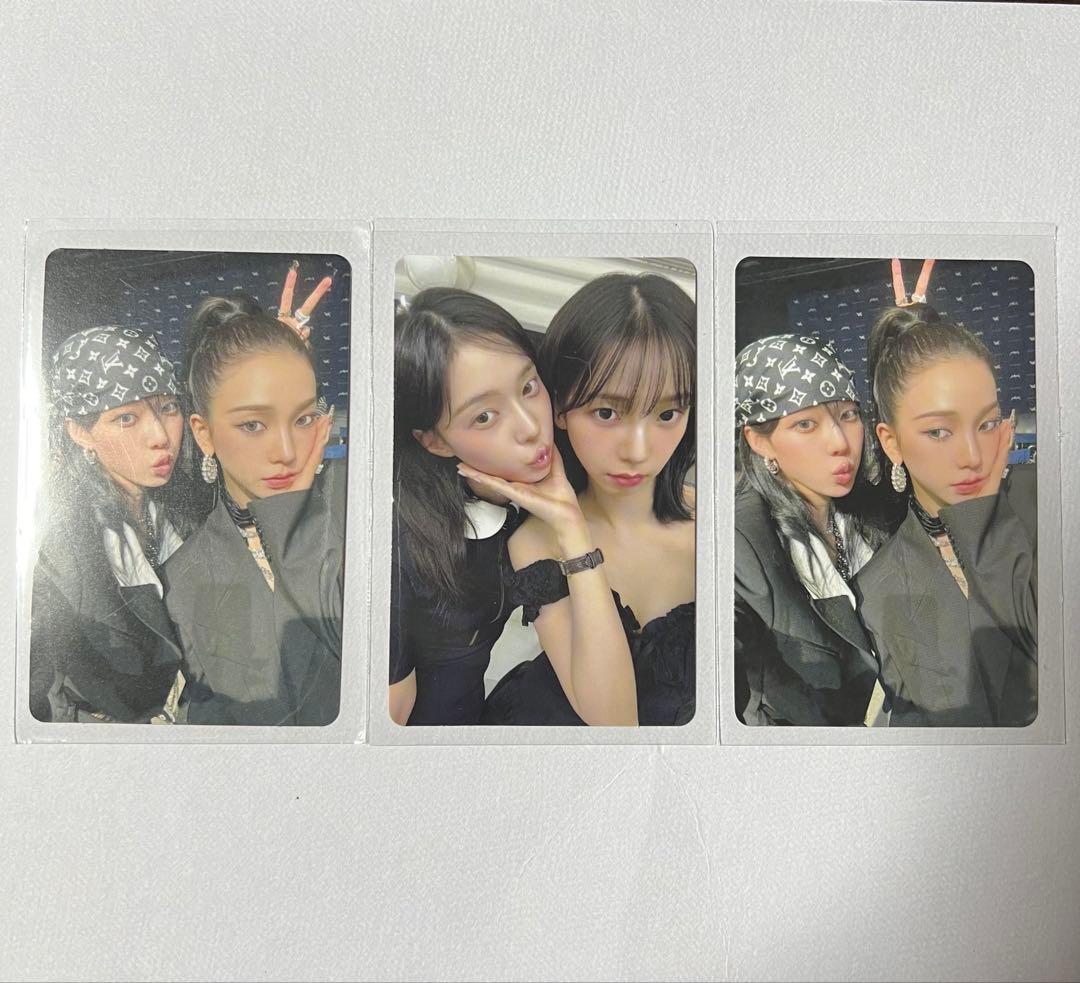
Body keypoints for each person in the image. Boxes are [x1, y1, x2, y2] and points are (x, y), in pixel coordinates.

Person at [391, 287, 618, 725]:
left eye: (528, 387)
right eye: (484, 416)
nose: (532, 427)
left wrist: (572, 529)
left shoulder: (560, 467)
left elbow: (611, 715)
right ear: (435, 441)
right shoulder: (399, 547)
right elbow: (390, 715)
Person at [477, 273, 695, 726]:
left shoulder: (720, 520)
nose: (637, 450)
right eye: (607, 412)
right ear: (560, 408)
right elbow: (613, 723)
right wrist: (575, 536)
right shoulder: (537, 543)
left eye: (667, 413)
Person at [162, 294, 342, 725]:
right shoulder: (183, 578)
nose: (286, 452)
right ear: (203, 434)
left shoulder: (355, 516)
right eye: (253, 425)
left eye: (303, 419)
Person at [854, 306, 1037, 726]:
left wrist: (981, 522)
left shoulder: (1047, 506)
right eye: (938, 432)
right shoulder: (880, 588)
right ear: (892, 442)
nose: (972, 456)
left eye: (987, 424)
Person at [30, 324, 193, 723]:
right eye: (126, 418)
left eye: (168, 408)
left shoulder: (182, 514)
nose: (160, 436)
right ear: (80, 432)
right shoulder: (60, 547)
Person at [734, 333, 887, 726]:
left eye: (848, 415)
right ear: (759, 440)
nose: (840, 442)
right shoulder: (740, 545)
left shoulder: (867, 513)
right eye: (805, 424)